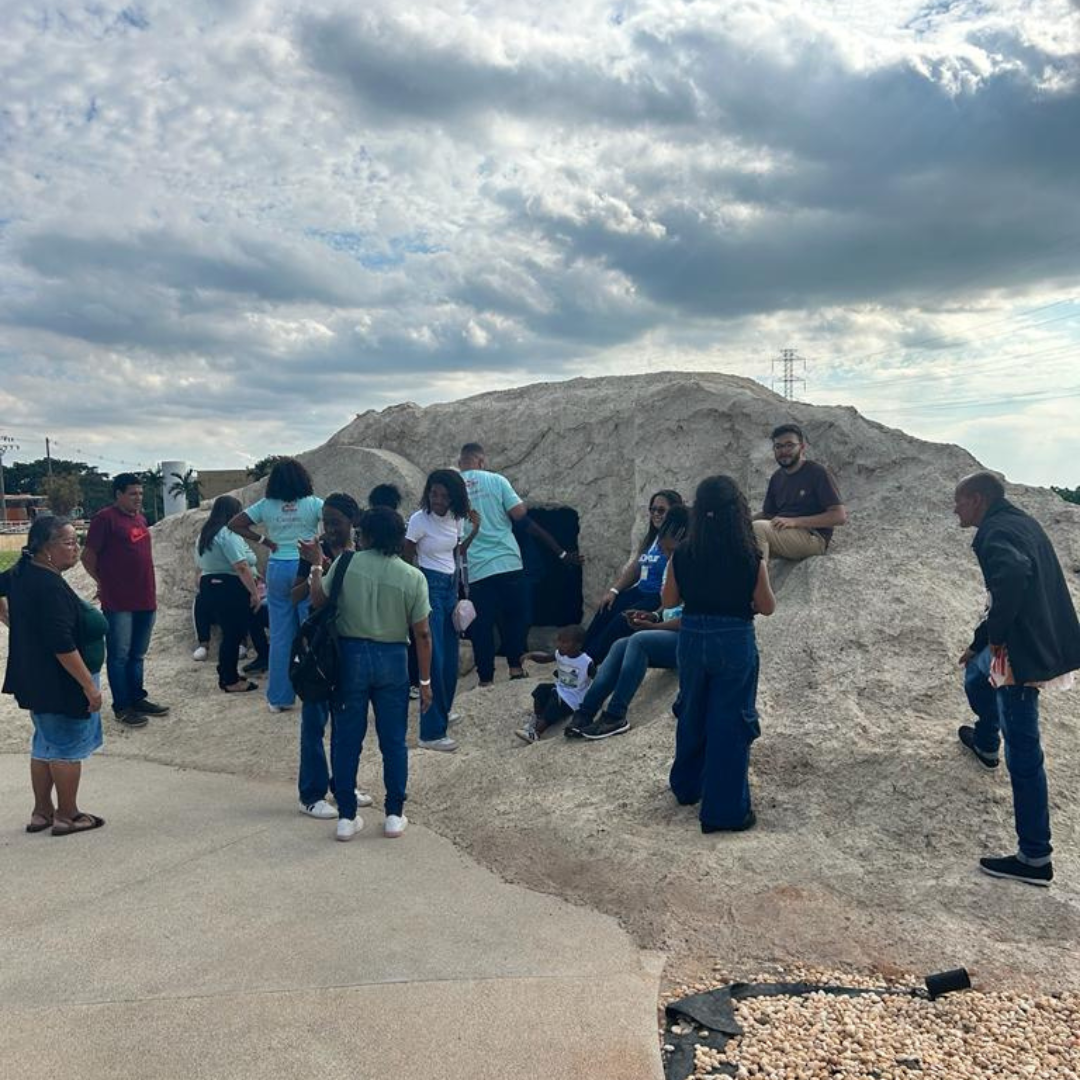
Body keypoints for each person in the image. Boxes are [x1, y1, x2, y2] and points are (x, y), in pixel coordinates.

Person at [953, 471, 1080, 886]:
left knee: (1024, 751)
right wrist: (981, 642)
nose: (955, 509)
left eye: (959, 501)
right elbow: (1001, 594)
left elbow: (1012, 575)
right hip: (1030, 636)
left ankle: (1035, 857)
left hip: (1023, 651)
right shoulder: (1017, 521)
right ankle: (987, 742)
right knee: (975, 676)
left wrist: (1001, 640)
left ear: (977, 499)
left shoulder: (995, 533)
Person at [303, 507, 432, 842]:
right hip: (393, 657)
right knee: (394, 740)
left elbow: (317, 599)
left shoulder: (347, 563)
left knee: (346, 739)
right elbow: (422, 634)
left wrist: (317, 565)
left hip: (351, 656)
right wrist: (426, 681)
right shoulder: (413, 576)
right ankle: (394, 814)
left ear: (368, 535)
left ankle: (347, 816)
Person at [665, 476, 776, 832]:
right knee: (730, 720)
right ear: (738, 511)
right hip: (733, 636)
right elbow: (767, 606)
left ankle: (686, 786)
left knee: (692, 708)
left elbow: (668, 601)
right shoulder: (748, 555)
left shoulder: (684, 552)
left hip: (693, 634)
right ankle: (724, 812)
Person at [1, 516, 108, 835]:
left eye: (77, 541)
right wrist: (89, 687)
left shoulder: (24, 572)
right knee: (65, 748)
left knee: (45, 744)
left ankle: (42, 812)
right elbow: (62, 644)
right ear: (46, 549)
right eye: (70, 542)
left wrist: (9, 617)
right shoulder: (48, 586)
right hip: (61, 681)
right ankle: (68, 815)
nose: (77, 548)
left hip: (35, 675)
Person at [457, 443, 583, 686]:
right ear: (482, 461)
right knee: (516, 615)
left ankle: (485, 679)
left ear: (461, 462)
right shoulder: (496, 480)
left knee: (482, 623)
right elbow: (519, 514)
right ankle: (515, 667)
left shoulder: (453, 486)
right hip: (507, 561)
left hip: (476, 567)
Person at [567, 505, 690, 741]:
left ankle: (615, 714)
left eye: (667, 546)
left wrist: (653, 627)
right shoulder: (675, 560)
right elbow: (673, 608)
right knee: (619, 645)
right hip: (672, 630)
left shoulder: (689, 565)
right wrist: (653, 616)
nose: (663, 552)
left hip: (691, 640)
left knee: (639, 641)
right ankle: (585, 712)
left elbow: (692, 619)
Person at [290, 492, 373, 819]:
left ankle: (343, 785)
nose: (329, 528)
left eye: (336, 522)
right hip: (321, 646)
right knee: (314, 719)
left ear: (353, 523)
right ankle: (310, 794)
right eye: (326, 521)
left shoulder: (364, 551)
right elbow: (295, 594)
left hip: (352, 642)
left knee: (348, 722)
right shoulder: (316, 550)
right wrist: (315, 564)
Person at [228, 458, 323, 713]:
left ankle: (279, 697)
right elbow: (339, 519)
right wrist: (318, 544)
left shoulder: (267, 506)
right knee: (311, 633)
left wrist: (264, 540)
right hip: (305, 567)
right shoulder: (313, 504)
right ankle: (315, 691)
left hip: (278, 567)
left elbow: (235, 523)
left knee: (281, 636)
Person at [81, 472, 167, 727]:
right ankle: (122, 706)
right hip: (119, 601)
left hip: (145, 597)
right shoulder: (104, 519)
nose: (138, 498)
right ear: (118, 494)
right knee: (119, 654)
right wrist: (102, 582)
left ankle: (137, 697)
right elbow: (88, 557)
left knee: (137, 654)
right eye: (132, 494)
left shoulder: (141, 519)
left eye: (140, 493)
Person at [403, 469, 481, 752]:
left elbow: (457, 552)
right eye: (434, 493)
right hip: (428, 585)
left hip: (450, 586)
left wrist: (475, 530)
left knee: (449, 656)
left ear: (454, 497)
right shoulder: (419, 520)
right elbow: (406, 554)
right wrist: (413, 589)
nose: (438, 500)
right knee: (433, 659)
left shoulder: (457, 518)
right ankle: (431, 732)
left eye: (444, 495)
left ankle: (444, 709)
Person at [583, 489, 683, 664]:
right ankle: (579, 657)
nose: (655, 514)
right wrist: (614, 590)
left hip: (657, 596)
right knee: (605, 609)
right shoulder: (653, 538)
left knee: (620, 621)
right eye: (652, 510)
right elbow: (637, 567)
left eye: (661, 510)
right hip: (640, 590)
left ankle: (589, 663)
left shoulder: (676, 541)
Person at [194, 496, 262, 693]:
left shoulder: (205, 534)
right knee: (233, 634)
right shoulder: (227, 534)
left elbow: (200, 565)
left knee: (229, 632)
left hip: (210, 585)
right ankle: (230, 680)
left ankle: (226, 670)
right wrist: (254, 592)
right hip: (229, 586)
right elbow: (240, 566)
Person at [752, 424, 847, 561]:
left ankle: (760, 583)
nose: (784, 451)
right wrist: (742, 522)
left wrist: (795, 522)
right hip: (783, 533)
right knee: (740, 533)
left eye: (789, 445)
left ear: (802, 447)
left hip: (812, 537)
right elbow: (768, 514)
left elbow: (839, 516)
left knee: (758, 529)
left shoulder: (816, 472)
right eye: (778, 446)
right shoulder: (777, 477)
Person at [517, 625, 595, 743]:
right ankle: (536, 719)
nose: (559, 645)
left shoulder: (586, 662)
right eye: (559, 641)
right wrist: (532, 655)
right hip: (560, 689)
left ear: (578, 645)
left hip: (572, 699)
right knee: (541, 690)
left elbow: (597, 678)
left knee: (554, 702)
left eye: (565, 642)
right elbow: (546, 658)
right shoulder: (560, 654)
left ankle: (536, 733)